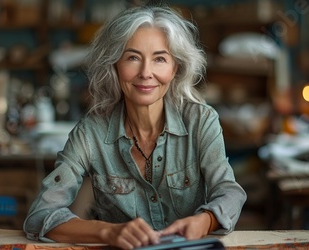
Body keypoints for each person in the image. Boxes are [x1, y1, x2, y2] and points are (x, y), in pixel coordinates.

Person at [23, 5, 247, 249]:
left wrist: (205, 221)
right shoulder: (90, 133)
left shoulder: (200, 121)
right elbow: (40, 215)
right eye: (133, 58)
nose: (146, 73)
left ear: (175, 68)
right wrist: (108, 232)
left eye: (160, 59)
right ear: (115, 65)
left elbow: (230, 192)